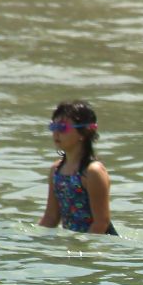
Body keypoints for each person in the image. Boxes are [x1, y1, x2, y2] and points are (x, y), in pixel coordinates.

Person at [39, 100, 117, 235]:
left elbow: (101, 222)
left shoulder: (92, 172)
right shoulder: (56, 170)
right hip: (74, 244)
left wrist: (83, 250)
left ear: (84, 133)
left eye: (62, 128)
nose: (56, 133)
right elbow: (51, 218)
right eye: (54, 127)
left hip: (97, 245)